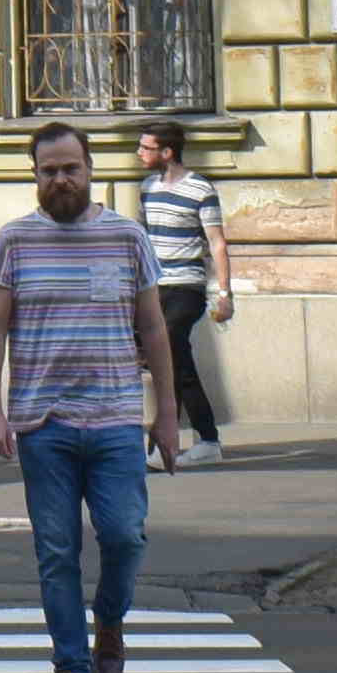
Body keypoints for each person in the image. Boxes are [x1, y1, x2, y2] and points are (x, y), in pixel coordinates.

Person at [0, 116, 187, 673]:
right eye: (49, 171)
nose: (61, 180)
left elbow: (153, 329)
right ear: (34, 177)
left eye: (71, 169)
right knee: (57, 550)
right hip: (43, 424)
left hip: (117, 418)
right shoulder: (13, 241)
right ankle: (70, 670)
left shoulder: (127, 238)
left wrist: (166, 415)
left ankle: (110, 623)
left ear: (90, 170)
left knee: (124, 535)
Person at [128, 123, 235, 451]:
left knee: (172, 346)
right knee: (167, 360)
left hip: (186, 288)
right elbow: (143, 240)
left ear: (167, 152)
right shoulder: (147, 187)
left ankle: (199, 440)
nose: (139, 153)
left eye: (146, 148)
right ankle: (190, 440)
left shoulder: (200, 190)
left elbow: (217, 243)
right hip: (153, 288)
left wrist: (225, 293)